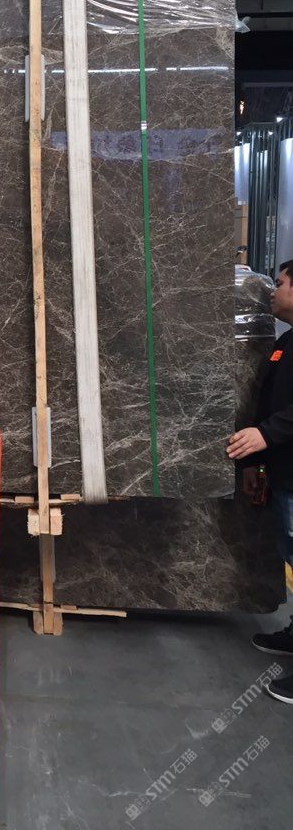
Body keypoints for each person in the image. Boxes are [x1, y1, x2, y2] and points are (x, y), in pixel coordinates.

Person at [228, 258, 293, 705]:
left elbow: (276, 420)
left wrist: (266, 435)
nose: (273, 290)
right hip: (284, 473)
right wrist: (257, 463)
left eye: (282, 283)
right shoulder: (285, 343)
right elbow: (267, 403)